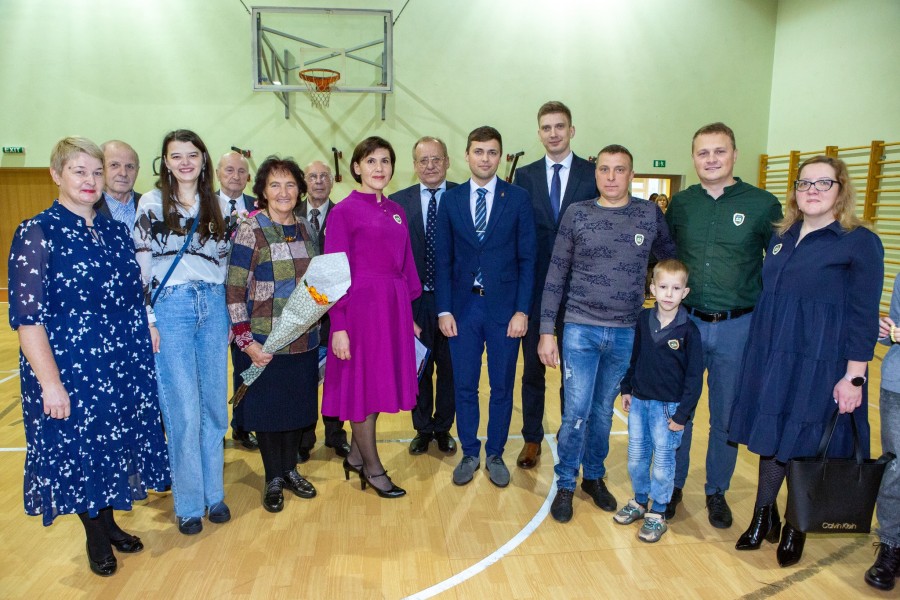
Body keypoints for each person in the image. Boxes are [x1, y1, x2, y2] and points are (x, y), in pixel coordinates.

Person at [8, 136, 169, 576]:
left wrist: (146, 330)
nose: (90, 180)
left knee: (111, 445)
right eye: (79, 171)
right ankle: (96, 537)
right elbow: (28, 319)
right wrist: (50, 384)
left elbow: (132, 297)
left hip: (119, 363)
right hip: (71, 367)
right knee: (82, 451)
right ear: (56, 175)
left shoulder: (115, 231)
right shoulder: (37, 232)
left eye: (97, 172)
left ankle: (109, 523)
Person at [729, 155, 883, 567]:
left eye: (823, 183)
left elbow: (863, 315)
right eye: (804, 183)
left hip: (820, 360)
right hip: (772, 352)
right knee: (771, 432)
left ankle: (795, 526)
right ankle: (763, 515)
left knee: (803, 441)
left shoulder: (859, 241)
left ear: (841, 190)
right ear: (794, 191)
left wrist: (854, 377)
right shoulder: (782, 234)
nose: (812, 190)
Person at [538, 144, 676, 522]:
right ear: (595, 173)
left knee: (602, 412)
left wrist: (664, 306)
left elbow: (670, 262)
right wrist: (547, 330)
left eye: (619, 169)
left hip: (626, 332)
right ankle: (566, 482)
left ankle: (594, 477)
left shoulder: (648, 214)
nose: (611, 177)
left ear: (632, 174)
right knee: (576, 412)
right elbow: (556, 273)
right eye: (604, 169)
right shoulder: (577, 213)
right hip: (579, 328)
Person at [665, 122, 783, 527]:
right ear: (693, 158)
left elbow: (781, 265)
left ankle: (716, 491)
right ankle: (672, 486)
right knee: (679, 410)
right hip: (687, 324)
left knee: (726, 417)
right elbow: (666, 259)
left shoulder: (763, 205)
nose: (711, 159)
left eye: (719, 151)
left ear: (734, 154)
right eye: (703, 152)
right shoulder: (682, 204)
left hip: (738, 328)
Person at [134, 129, 231, 535]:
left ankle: (214, 495)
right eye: (176, 156)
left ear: (204, 160)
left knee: (214, 407)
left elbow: (225, 265)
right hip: (171, 308)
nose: (185, 162)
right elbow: (142, 267)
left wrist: (229, 316)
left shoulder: (220, 205)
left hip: (213, 304)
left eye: (192, 154)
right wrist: (149, 319)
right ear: (166, 163)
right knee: (183, 410)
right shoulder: (151, 202)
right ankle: (189, 504)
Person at [436, 125, 536, 488]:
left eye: (492, 152)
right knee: (464, 385)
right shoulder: (451, 200)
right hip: (463, 309)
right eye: (478, 151)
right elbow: (442, 259)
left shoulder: (518, 198)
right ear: (467, 155)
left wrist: (522, 310)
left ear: (500, 157)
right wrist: (443, 309)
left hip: (504, 311)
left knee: (501, 387)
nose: (485, 158)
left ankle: (494, 454)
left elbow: (528, 258)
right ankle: (469, 452)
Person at [321, 136, 421, 498]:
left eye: (385, 161)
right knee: (361, 389)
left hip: (391, 309)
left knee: (376, 386)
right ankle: (373, 468)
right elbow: (333, 273)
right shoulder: (343, 212)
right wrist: (339, 325)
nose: (379, 168)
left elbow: (406, 263)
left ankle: (355, 457)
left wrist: (407, 315)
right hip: (359, 311)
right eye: (371, 161)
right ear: (357, 167)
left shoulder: (397, 210)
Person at [227, 156, 319, 512]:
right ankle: (273, 477)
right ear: (263, 191)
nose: (284, 192)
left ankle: (290, 469)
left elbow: (317, 281)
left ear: (300, 190)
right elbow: (235, 288)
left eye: (290, 184)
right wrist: (246, 341)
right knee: (268, 412)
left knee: (297, 409)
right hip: (264, 340)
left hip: (303, 338)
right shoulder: (251, 229)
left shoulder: (307, 228)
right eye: (275, 185)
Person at [512, 101, 598, 470]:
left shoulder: (592, 173)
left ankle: (570, 437)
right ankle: (532, 438)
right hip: (535, 291)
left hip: (580, 293)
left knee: (573, 375)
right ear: (539, 133)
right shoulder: (525, 176)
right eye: (546, 128)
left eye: (559, 126)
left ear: (571, 130)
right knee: (533, 371)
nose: (553, 133)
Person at [616, 259, 702, 542]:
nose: (668, 293)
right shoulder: (644, 320)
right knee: (636, 457)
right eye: (663, 287)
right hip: (640, 403)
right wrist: (627, 387)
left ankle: (659, 511)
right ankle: (640, 501)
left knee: (664, 463)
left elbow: (694, 378)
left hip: (669, 409)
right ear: (652, 288)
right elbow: (635, 356)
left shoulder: (689, 331)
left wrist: (682, 414)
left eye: (676, 288)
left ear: (685, 293)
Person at [393, 137, 458, 456]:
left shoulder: (463, 196)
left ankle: (443, 427)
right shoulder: (396, 203)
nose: (430, 166)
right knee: (418, 368)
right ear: (414, 165)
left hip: (454, 302)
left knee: (450, 369)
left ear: (447, 161)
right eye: (423, 160)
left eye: (436, 159)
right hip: (414, 301)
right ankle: (422, 428)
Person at [296, 159, 350, 462]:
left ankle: (335, 434)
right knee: (304, 377)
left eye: (324, 176)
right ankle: (304, 438)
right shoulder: (290, 214)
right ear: (304, 181)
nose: (318, 181)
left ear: (332, 181)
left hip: (335, 311)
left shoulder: (343, 214)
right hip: (300, 312)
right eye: (312, 176)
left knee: (336, 376)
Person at [216, 150, 259, 450]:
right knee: (212, 368)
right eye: (229, 170)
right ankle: (213, 430)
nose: (235, 176)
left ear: (249, 177)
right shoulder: (202, 206)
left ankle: (242, 427)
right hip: (211, 298)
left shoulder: (258, 207)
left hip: (247, 301)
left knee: (246, 365)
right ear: (217, 173)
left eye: (241, 171)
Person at [867, 277, 900, 590]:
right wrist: (887, 332)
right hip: (897, 387)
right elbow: (894, 330)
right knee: (896, 469)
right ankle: (891, 545)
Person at [94, 140, 141, 226]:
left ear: (137, 171)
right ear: (100, 168)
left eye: (130, 166)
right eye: (114, 165)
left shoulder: (151, 205)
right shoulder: (89, 207)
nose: (123, 173)